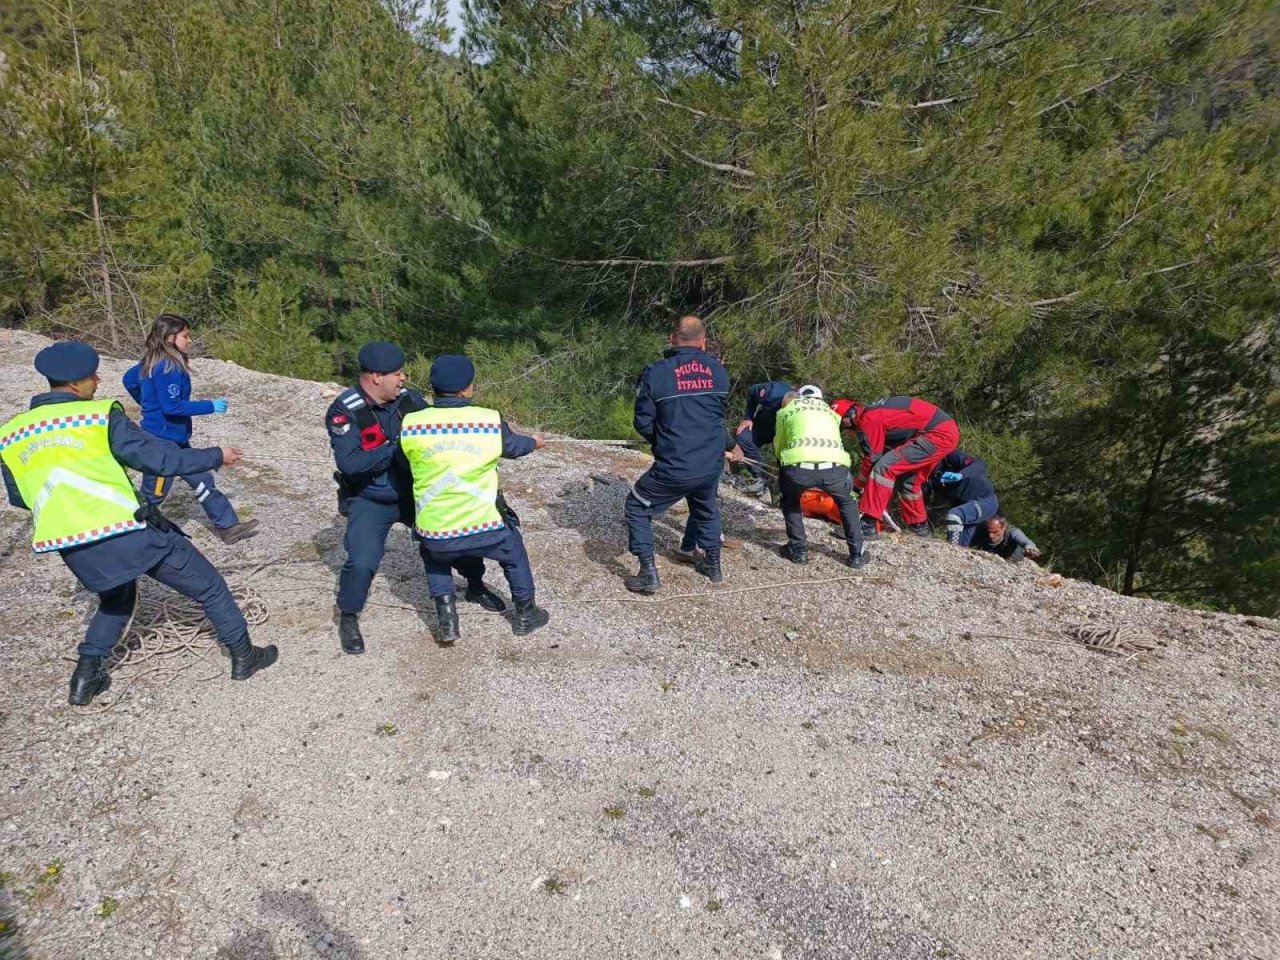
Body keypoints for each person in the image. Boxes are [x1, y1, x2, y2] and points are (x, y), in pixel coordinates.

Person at [0, 342, 277, 706]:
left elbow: (20, 498)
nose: (98, 380)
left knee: (116, 599)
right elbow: (158, 459)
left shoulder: (11, 434)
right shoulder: (96, 416)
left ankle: (84, 679)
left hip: (72, 543)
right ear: (74, 385)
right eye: (92, 376)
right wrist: (215, 456)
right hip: (127, 531)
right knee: (209, 586)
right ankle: (244, 656)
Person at [327, 341, 506, 655]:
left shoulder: (410, 400)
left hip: (416, 491)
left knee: (459, 531)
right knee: (362, 560)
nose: (404, 379)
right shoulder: (345, 410)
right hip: (372, 497)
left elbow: (442, 433)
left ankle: (475, 585)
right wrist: (397, 445)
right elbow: (351, 464)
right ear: (375, 377)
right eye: (397, 374)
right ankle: (349, 614)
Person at [400, 354, 549, 644]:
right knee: (514, 554)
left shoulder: (412, 424)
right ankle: (525, 614)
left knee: (436, 560)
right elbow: (515, 447)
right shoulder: (488, 420)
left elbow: (405, 463)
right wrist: (536, 441)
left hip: (434, 527)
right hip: (484, 526)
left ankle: (447, 622)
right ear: (466, 389)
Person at [624, 315, 740, 594]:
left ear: (672, 338)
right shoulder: (718, 372)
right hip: (711, 461)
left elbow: (643, 422)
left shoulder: (656, 372)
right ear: (703, 341)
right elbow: (715, 418)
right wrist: (730, 443)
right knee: (706, 506)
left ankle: (648, 573)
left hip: (676, 462)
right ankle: (713, 566)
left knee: (636, 506)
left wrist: (663, 440)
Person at [123, 314, 259, 545]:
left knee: (202, 479)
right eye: (185, 336)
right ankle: (127, 533)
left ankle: (228, 526)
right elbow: (173, 406)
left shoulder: (150, 361)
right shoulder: (168, 368)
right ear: (170, 337)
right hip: (160, 442)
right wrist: (210, 406)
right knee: (154, 494)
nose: (190, 340)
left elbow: (129, 381)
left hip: (176, 438)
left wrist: (148, 403)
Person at [832, 395, 960, 539]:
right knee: (908, 481)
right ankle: (920, 528)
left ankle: (868, 525)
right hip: (942, 431)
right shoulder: (873, 412)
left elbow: (872, 459)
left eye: (842, 429)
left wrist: (857, 485)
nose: (847, 435)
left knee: (884, 468)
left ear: (847, 420)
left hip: (938, 434)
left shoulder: (868, 420)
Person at [773, 392, 869, 567]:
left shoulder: (785, 412)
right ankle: (857, 554)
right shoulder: (830, 412)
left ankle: (798, 549)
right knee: (847, 502)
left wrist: (784, 466)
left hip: (799, 467)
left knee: (790, 499)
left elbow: (779, 445)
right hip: (835, 467)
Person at [924, 450, 999, 546]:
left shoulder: (950, 457)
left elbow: (980, 464)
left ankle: (953, 550)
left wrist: (961, 475)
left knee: (954, 515)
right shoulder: (926, 476)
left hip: (984, 500)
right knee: (963, 546)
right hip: (963, 504)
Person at [734, 379, 792, 495]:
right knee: (743, 437)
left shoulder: (803, 411)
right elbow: (753, 391)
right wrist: (748, 417)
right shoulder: (773, 393)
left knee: (788, 459)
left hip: (786, 432)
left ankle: (783, 497)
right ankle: (760, 479)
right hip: (765, 424)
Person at [972, 514, 1042, 563]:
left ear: (1004, 528)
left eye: (995, 532)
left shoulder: (1013, 532)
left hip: (1013, 563)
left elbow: (1026, 542)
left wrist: (1030, 549)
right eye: (989, 531)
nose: (991, 535)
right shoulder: (981, 530)